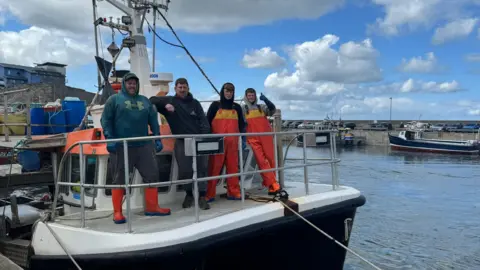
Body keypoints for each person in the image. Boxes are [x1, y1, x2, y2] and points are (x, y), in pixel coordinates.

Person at [101, 72, 170, 225]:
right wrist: (110, 138)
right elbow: (105, 120)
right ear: (125, 84)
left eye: (134, 83)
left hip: (144, 145)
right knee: (119, 178)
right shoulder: (114, 100)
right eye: (129, 83)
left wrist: (157, 139)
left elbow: (153, 120)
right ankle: (117, 212)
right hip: (121, 146)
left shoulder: (145, 101)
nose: (132, 86)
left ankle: (152, 207)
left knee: (152, 174)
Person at [149, 78, 211, 210]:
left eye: (184, 87)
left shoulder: (195, 103)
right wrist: (164, 106)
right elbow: (152, 100)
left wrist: (204, 136)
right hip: (182, 141)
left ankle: (202, 197)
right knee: (185, 170)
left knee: (202, 169)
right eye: (180, 87)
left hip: (198, 140)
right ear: (175, 89)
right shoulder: (170, 101)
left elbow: (204, 121)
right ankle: (189, 194)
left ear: (188, 88)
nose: (182, 90)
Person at [205, 83, 245, 202]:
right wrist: (208, 138)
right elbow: (207, 122)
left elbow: (242, 125)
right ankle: (209, 194)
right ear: (223, 91)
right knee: (214, 168)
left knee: (233, 167)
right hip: (217, 143)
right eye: (227, 91)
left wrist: (243, 139)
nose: (229, 94)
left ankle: (233, 192)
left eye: (231, 92)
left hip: (233, 143)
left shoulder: (237, 107)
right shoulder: (215, 105)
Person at [242, 88, 281, 195]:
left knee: (271, 160)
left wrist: (266, 100)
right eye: (249, 95)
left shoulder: (261, 107)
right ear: (246, 96)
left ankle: (271, 186)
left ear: (255, 96)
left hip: (266, 136)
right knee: (262, 161)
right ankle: (273, 184)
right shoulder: (243, 108)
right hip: (253, 138)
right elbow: (240, 122)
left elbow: (272, 110)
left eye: (252, 95)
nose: (251, 97)